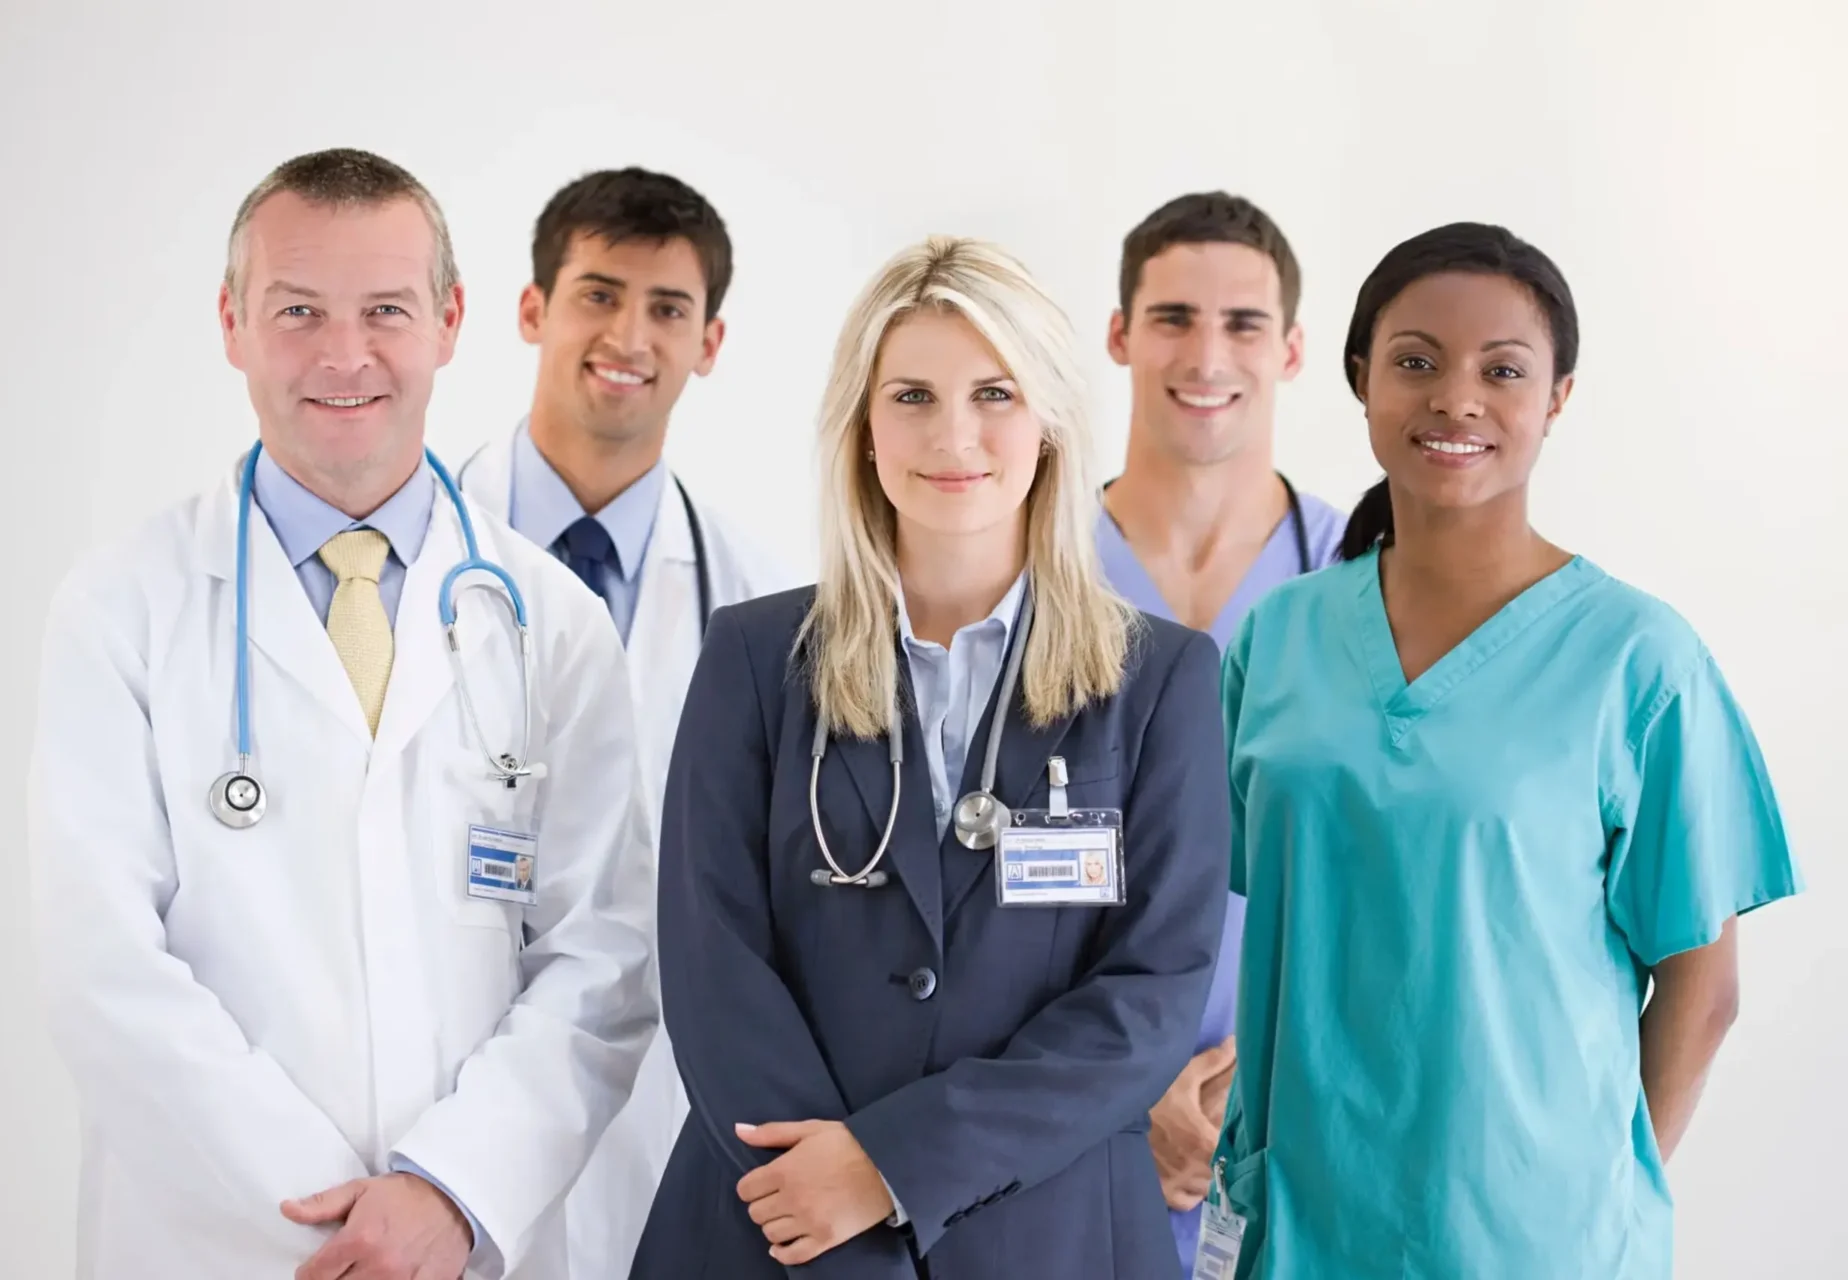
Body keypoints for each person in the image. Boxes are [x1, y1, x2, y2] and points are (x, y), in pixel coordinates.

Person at [27, 148, 660, 1280]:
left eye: (385, 310)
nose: (344, 354)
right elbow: (101, 965)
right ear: (230, 321)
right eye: (298, 310)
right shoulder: (122, 606)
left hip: (472, 1240)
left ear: (451, 319)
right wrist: (342, 1227)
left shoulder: (552, 623)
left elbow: (606, 954)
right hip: (217, 1245)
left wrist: (449, 1193)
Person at [630, 235, 1232, 1280]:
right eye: (911, 394)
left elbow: (1150, 993)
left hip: (1055, 1233)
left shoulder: (1159, 680)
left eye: (994, 392)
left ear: (1046, 422)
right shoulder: (754, 659)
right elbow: (711, 959)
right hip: (779, 1231)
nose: (954, 434)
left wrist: (894, 1166)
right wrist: (829, 1201)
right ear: (863, 428)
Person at [1213, 221, 1802, 1278]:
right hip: (1299, 1213)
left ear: (1559, 397)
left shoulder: (1637, 657)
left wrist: (1592, 1192)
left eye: (1502, 370)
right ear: (1361, 378)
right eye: (1417, 361)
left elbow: (1703, 988)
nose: (1456, 398)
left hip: (1533, 1236)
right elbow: (1237, 914)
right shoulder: (1280, 637)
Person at [456, 164, 798, 1277]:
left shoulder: (762, 600)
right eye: (598, 292)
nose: (629, 334)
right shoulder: (416, 557)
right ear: (532, 308)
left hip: (663, 1093)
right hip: (441, 1077)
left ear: (711, 340)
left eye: (668, 307)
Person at [1094, 191, 1346, 1273]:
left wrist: (1251, 1071)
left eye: (1243, 323)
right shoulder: (1033, 564)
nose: (1207, 354)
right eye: (1172, 317)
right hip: (1073, 1103)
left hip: (1300, 1094)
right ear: (1119, 334)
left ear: (1290, 349)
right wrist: (1126, 1078)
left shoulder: (1358, 573)